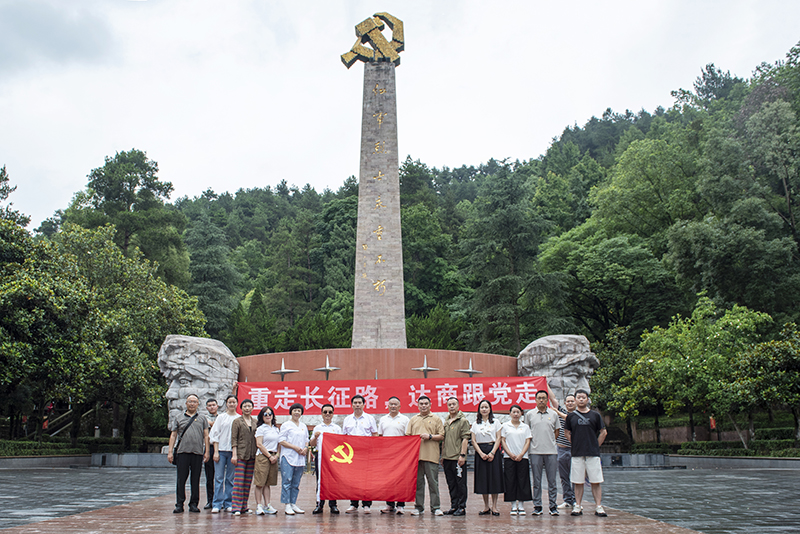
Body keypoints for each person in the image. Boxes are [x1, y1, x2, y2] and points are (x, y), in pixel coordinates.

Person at [564, 389, 607, 517]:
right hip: (577, 453)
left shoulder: (595, 415)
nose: (581, 399)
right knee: (577, 481)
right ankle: (577, 505)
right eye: (579, 397)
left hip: (592, 453)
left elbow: (603, 432)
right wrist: (576, 443)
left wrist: (595, 445)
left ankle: (598, 506)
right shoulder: (571, 416)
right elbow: (567, 433)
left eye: (583, 397)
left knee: (596, 480)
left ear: (588, 399)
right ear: (575, 400)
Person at [167, 394, 210, 514]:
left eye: (194, 401)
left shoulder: (202, 418)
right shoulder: (179, 417)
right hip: (182, 452)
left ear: (198, 404)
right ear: (186, 403)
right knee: (181, 479)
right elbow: (173, 435)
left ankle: (194, 504)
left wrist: (207, 451)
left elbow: (206, 435)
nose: (192, 404)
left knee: (195, 479)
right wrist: (170, 452)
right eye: (190, 401)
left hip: (197, 453)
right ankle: (179, 504)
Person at [405, 395, 444, 516]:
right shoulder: (413, 419)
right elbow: (408, 436)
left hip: (431, 456)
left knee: (433, 483)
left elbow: (442, 436)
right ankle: (418, 507)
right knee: (418, 484)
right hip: (416, 457)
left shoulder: (436, 419)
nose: (423, 406)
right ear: (417, 405)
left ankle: (436, 507)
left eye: (426, 403)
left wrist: (430, 436)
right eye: (421, 404)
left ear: (430, 405)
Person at [525, 390, 560, 516]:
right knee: (536, 480)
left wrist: (550, 441)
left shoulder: (553, 414)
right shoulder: (530, 414)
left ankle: (553, 506)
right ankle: (537, 506)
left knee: (552, 480)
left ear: (547, 400)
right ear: (535, 400)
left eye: (544, 398)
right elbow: (527, 432)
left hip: (551, 451)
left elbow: (556, 431)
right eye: (539, 398)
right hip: (535, 451)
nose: (541, 400)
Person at [342, 394, 378, 513]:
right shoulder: (347, 419)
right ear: (352, 405)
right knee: (353, 479)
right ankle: (353, 504)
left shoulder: (370, 418)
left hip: (366, 453)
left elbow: (375, 435)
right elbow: (344, 437)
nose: (357, 405)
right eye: (355, 403)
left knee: (367, 479)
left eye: (359, 403)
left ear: (363, 404)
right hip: (351, 454)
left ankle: (366, 504)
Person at [377, 396, 410, 514]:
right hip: (387, 454)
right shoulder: (383, 419)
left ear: (400, 406)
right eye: (391, 404)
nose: (393, 406)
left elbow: (408, 437)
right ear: (388, 406)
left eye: (395, 404)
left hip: (401, 454)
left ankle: (401, 505)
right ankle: (389, 504)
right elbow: (380, 436)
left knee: (401, 479)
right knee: (388, 479)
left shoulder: (405, 419)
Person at [470, 399, 503, 515]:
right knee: (483, 479)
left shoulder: (496, 422)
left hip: (493, 450)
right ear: (479, 409)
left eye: (486, 407)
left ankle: (494, 506)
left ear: (490, 409)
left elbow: (498, 438)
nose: (484, 409)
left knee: (495, 478)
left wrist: (492, 453)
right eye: (482, 407)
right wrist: (481, 453)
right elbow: (473, 441)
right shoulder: (475, 424)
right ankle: (486, 506)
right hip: (481, 452)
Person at [309, 403, 342, 514]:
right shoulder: (317, 428)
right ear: (322, 414)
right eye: (325, 412)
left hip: (334, 458)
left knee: (333, 481)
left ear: (333, 414)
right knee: (320, 480)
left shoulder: (337, 428)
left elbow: (341, 443)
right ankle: (319, 504)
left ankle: (333, 505)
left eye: (330, 412)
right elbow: (312, 444)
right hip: (321, 457)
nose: (327, 414)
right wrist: (316, 437)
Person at [501, 404, 532, 515]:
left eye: (518, 412)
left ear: (521, 414)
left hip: (523, 457)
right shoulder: (505, 426)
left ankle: (521, 505)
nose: (515, 414)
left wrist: (521, 454)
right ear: (510, 413)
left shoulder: (525, 427)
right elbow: (503, 440)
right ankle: (513, 505)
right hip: (509, 458)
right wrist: (510, 454)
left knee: (523, 480)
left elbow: (528, 441)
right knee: (510, 480)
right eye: (513, 412)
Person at [278, 402, 309, 515]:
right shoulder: (286, 425)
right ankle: (287, 504)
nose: (297, 412)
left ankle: (293, 503)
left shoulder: (303, 426)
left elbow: (306, 439)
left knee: (296, 482)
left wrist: (305, 448)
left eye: (299, 411)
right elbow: (281, 440)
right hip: (288, 456)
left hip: (300, 457)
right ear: (291, 412)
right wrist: (294, 447)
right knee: (287, 481)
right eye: (295, 410)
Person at [441, 396, 470, 516]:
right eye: (449, 404)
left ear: (458, 406)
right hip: (447, 458)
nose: (452, 406)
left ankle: (462, 507)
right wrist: (442, 455)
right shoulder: (446, 421)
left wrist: (462, 455)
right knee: (451, 483)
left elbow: (465, 438)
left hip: (458, 458)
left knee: (460, 484)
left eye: (454, 404)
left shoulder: (463, 421)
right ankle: (454, 506)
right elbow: (444, 440)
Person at [209, 395, 238, 513]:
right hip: (220, 451)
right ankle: (217, 503)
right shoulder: (221, 417)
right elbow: (215, 435)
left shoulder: (239, 418)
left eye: (234, 402)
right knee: (219, 478)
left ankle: (228, 503)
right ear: (226, 403)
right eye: (230, 402)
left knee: (230, 479)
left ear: (237, 404)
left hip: (233, 452)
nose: (232, 404)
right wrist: (216, 452)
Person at [549, 390, 577, 511]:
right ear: (565, 403)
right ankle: (567, 500)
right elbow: (553, 398)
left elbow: (569, 419)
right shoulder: (562, 411)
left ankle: (576, 500)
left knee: (576, 476)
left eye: (572, 401)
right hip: (561, 449)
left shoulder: (579, 415)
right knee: (564, 477)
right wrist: (544, 382)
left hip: (575, 450)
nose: (570, 403)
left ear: (576, 403)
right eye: (568, 401)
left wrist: (557, 413)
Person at [231, 398, 257, 516]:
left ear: (252, 408)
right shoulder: (237, 421)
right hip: (241, 454)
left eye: (249, 406)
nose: (247, 408)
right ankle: (236, 506)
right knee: (239, 481)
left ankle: (244, 506)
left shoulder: (255, 422)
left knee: (247, 481)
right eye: (245, 406)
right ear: (241, 408)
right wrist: (234, 454)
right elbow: (234, 439)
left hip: (252, 454)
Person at [253, 406, 280, 515]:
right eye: (265, 414)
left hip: (273, 456)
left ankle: (267, 505)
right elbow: (259, 444)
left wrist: (277, 455)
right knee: (260, 482)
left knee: (268, 483)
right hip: (263, 456)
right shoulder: (261, 428)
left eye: (270, 414)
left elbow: (279, 443)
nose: (268, 416)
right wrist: (269, 456)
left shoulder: (276, 429)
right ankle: (259, 505)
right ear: (262, 416)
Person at [203, 398, 218, 509]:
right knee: (209, 476)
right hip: (209, 448)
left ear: (217, 406)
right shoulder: (203, 419)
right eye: (209, 405)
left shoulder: (222, 417)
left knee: (220, 476)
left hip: (220, 448)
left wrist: (212, 424)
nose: (212, 407)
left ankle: (219, 499)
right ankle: (210, 500)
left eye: (213, 405)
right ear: (206, 407)